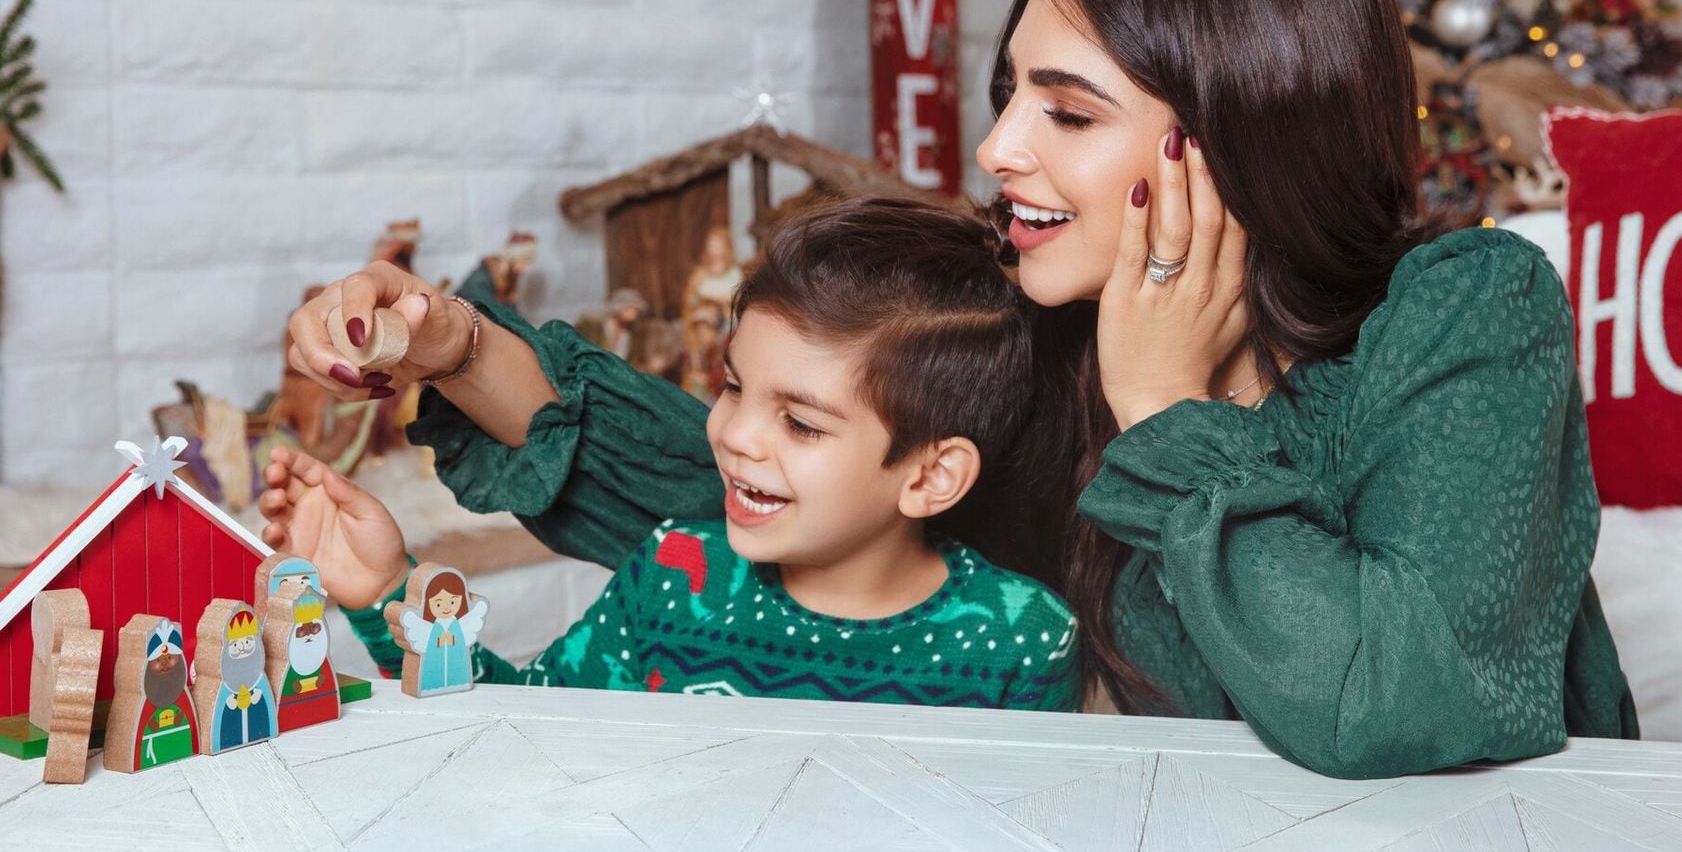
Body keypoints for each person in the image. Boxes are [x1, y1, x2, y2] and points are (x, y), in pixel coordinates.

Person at [284, 0, 1634, 779]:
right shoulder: (1044, 333)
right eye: (1008, 96)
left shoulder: (1467, 312)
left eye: (1066, 109)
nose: (995, 147)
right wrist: (459, 348)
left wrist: (1170, 412)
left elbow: (1400, 706)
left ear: (1227, 135)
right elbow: (775, 488)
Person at [266, 200, 1081, 710]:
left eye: (801, 423)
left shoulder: (1021, 643)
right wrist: (383, 590)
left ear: (930, 475)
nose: (733, 434)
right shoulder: (675, 574)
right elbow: (523, 728)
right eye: (732, 387)